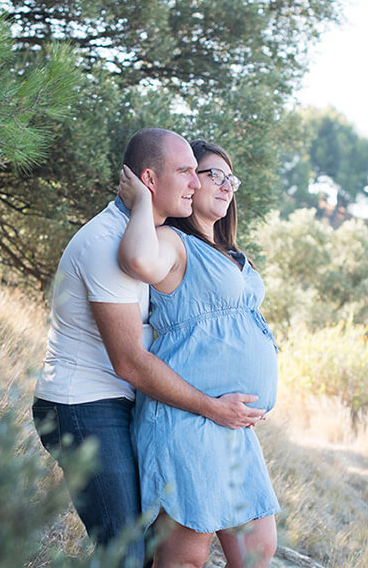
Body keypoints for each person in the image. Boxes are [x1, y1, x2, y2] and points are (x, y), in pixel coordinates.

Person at [31, 128, 265, 566]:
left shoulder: (147, 235)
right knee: (126, 552)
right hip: (84, 404)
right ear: (149, 180)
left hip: (122, 404)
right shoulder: (108, 244)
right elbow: (130, 363)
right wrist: (213, 408)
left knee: (145, 547)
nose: (197, 185)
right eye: (187, 173)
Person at [117, 139, 280, 568]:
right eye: (214, 175)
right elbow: (136, 259)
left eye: (232, 179)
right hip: (188, 419)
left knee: (257, 549)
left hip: (234, 426)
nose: (226, 186)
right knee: (185, 557)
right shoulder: (173, 241)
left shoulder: (230, 252)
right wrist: (141, 203)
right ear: (188, 182)